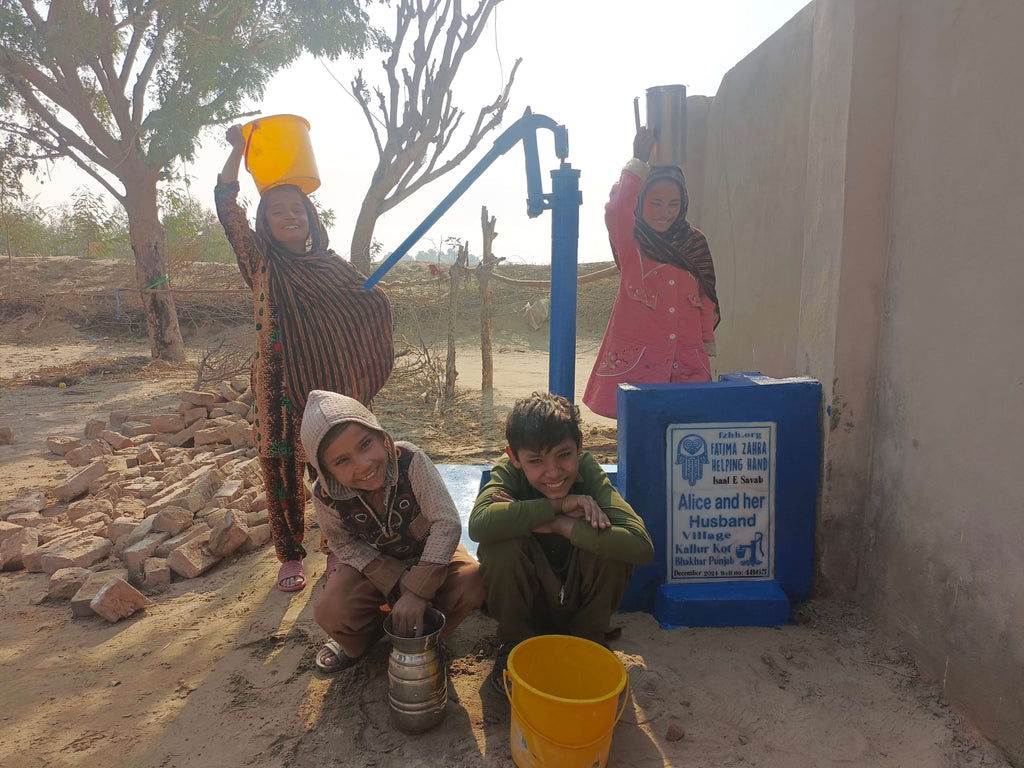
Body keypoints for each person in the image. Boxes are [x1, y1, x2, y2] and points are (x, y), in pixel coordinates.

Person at [216, 124, 394, 593]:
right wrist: (237, 153)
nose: (290, 216)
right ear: (265, 223)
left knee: (335, 465)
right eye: (278, 211)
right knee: (281, 468)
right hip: (278, 386)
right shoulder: (261, 262)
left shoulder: (334, 265)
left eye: (298, 209)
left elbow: (366, 304)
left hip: (332, 386)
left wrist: (374, 309)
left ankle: (338, 548)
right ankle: (291, 554)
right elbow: (227, 209)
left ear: (312, 218)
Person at [468, 391, 654, 691]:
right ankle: (516, 646)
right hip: (526, 606)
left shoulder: (589, 472)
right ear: (514, 457)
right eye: (536, 461)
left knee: (608, 543)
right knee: (500, 545)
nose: (553, 473)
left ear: (579, 447)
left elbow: (640, 545)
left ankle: (588, 643)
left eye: (564, 455)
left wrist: (558, 525)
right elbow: (480, 525)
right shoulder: (507, 472)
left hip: (580, 608)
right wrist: (560, 505)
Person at [299, 389, 485, 673]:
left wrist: (418, 592)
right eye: (341, 461)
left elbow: (446, 523)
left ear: (380, 436)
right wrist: (398, 580)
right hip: (372, 566)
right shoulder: (325, 495)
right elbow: (345, 545)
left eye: (365, 444)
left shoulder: (409, 460)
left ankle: (428, 633)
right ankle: (365, 640)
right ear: (326, 471)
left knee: (473, 581)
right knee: (331, 609)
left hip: (428, 553)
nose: (363, 465)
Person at [583, 126, 721, 419]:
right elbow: (617, 208)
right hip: (639, 368)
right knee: (640, 436)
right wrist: (637, 164)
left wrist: (706, 341)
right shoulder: (632, 243)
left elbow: (706, 294)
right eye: (654, 203)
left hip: (688, 363)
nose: (664, 212)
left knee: (686, 435)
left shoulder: (694, 243)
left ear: (683, 204)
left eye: (673, 204)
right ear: (641, 203)